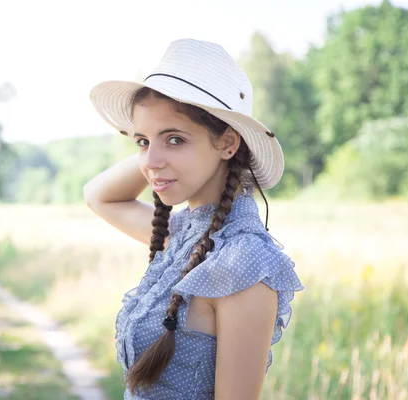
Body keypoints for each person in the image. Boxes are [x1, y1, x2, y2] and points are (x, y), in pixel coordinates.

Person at [84, 38, 304, 400]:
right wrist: (159, 142)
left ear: (228, 144)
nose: (150, 161)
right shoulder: (185, 233)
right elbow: (98, 195)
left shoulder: (241, 260)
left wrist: (156, 142)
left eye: (175, 139)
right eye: (141, 142)